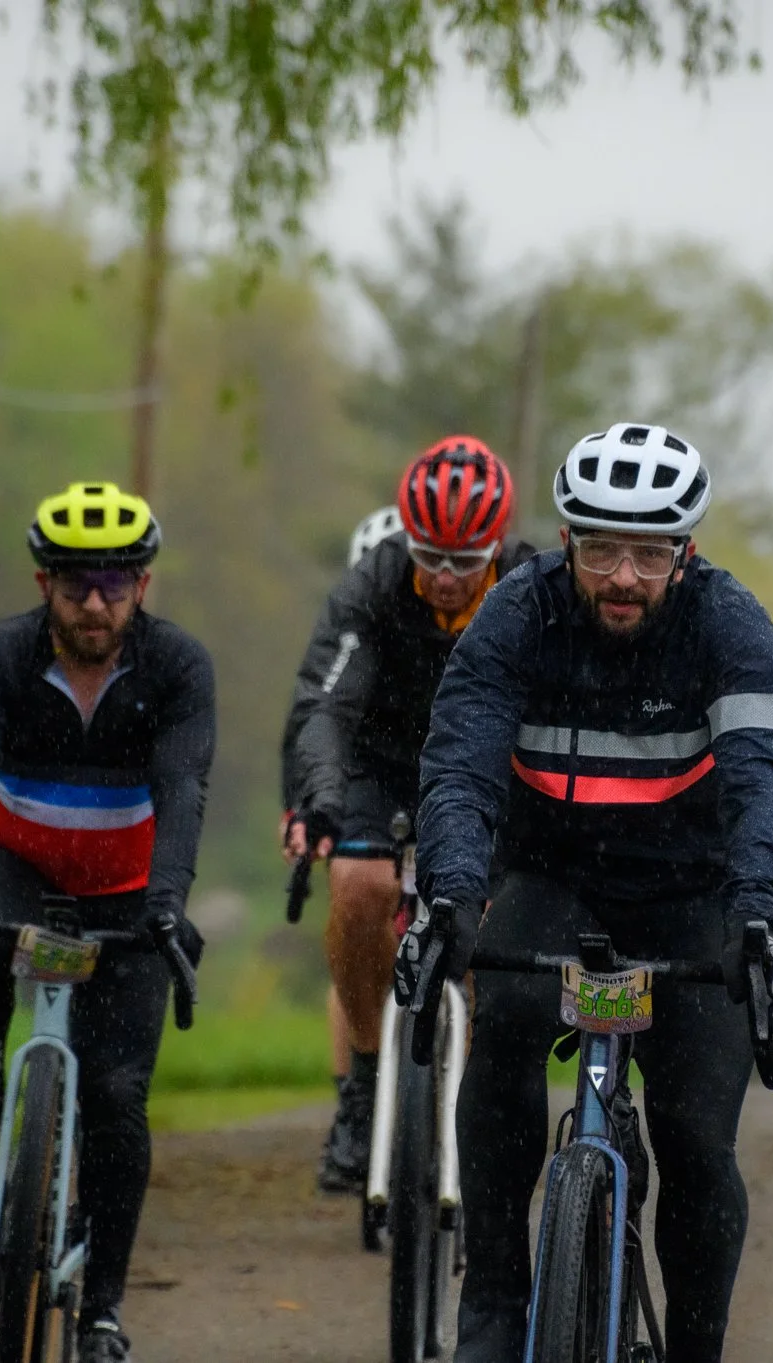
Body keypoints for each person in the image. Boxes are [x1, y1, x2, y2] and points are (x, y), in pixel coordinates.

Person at [400, 422, 773, 1363]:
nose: (623, 575)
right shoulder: (516, 613)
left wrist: (757, 912)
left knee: (697, 1141)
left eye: (650, 553)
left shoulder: (732, 626)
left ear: (686, 553)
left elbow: (765, 780)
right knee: (500, 1029)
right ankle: (497, 1297)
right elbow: (459, 765)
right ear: (567, 541)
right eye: (600, 548)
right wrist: (452, 895)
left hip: (693, 891)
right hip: (552, 879)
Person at [0, 481, 214, 1363]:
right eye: (78, 582)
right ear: (42, 580)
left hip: (128, 883)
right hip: (17, 862)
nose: (96, 601)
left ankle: (104, 1312)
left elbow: (183, 788)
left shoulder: (178, 666)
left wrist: (168, 902)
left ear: (144, 585)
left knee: (119, 1098)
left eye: (116, 583)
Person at [280, 436, 536, 1194]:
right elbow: (323, 704)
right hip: (385, 766)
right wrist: (319, 799)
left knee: (495, 924)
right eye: (431, 557)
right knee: (358, 885)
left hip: (492, 769)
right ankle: (362, 1077)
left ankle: (485, 1100)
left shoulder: (530, 584)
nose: (448, 577)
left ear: (497, 544)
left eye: (466, 559)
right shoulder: (374, 581)